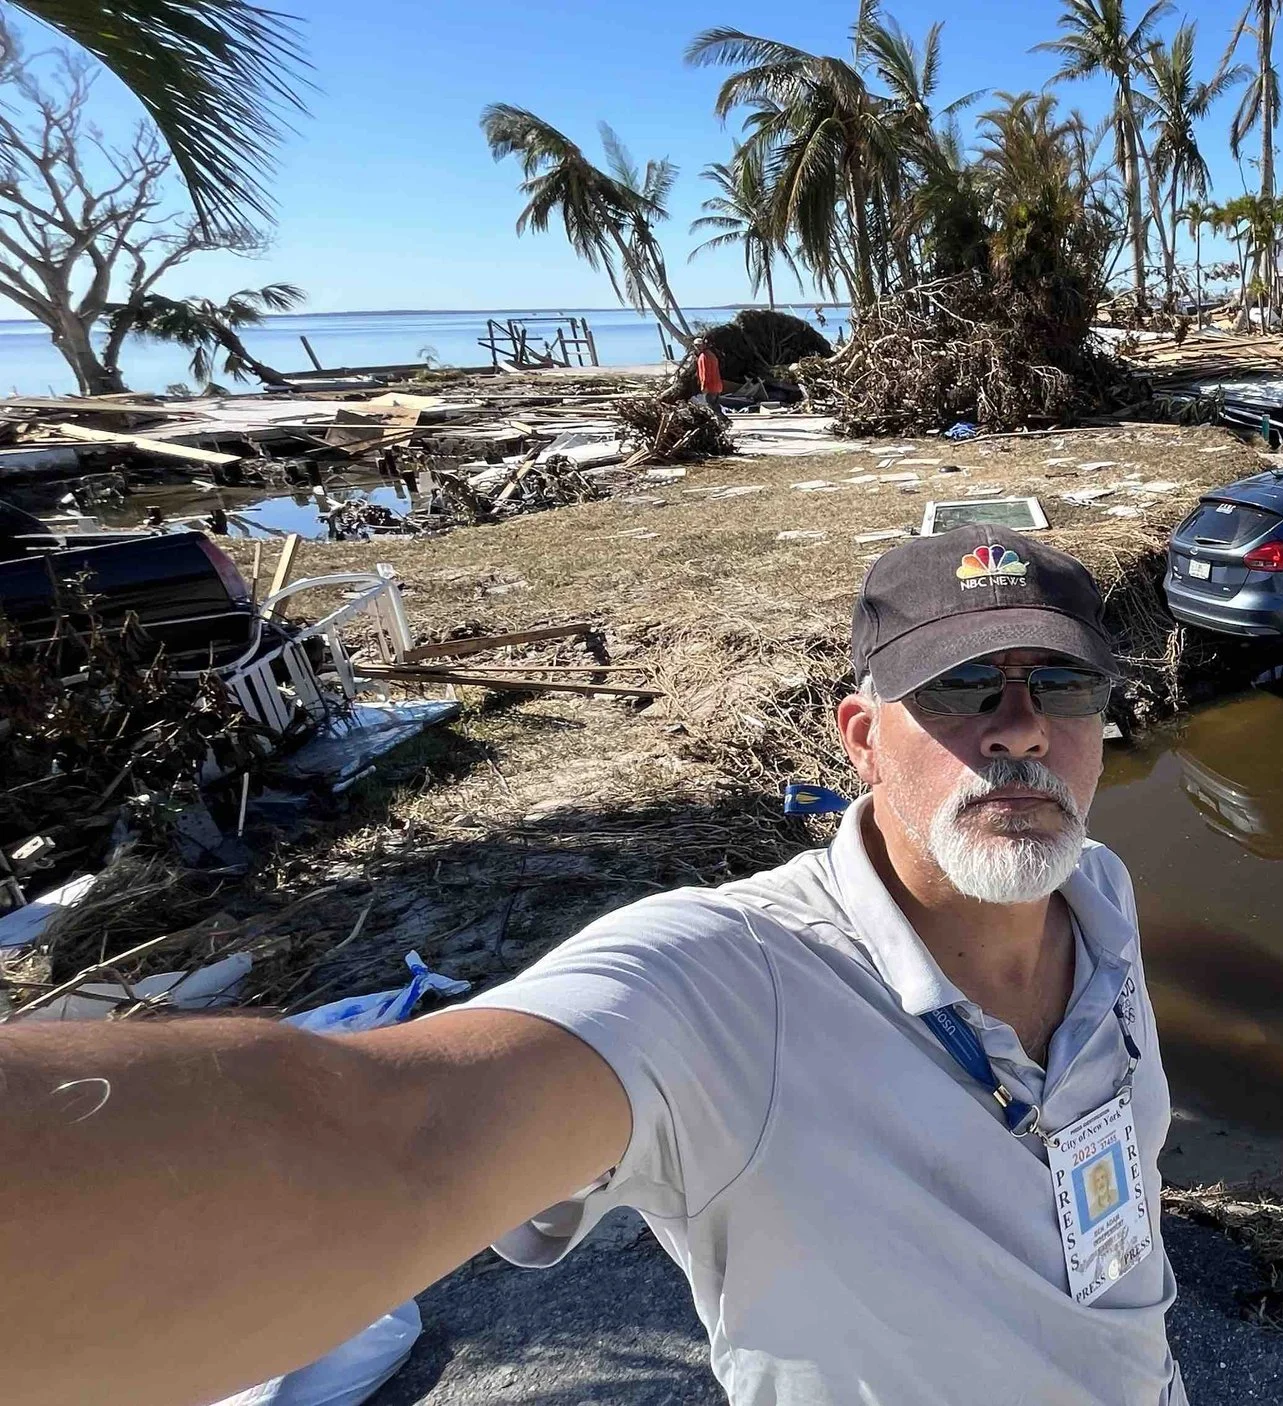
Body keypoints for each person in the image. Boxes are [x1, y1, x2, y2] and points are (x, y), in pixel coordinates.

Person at [0, 525, 1185, 1405]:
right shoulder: (725, 985)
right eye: (963, 686)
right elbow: (380, 1138)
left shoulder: (1100, 890)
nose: (1021, 725)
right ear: (862, 737)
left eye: (1062, 682)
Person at [694, 335, 727, 413]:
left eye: (699, 345)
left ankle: (722, 422)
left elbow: (706, 373)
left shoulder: (703, 357)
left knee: (711, 408)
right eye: (696, 345)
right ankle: (724, 422)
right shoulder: (711, 355)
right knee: (716, 407)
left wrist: (704, 386)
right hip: (717, 386)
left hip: (710, 386)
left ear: (703, 345)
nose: (697, 347)